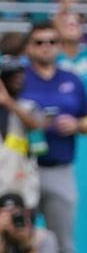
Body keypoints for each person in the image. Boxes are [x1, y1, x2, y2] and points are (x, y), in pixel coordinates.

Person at [20, 21, 87, 253]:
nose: (46, 47)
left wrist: (75, 125)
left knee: (63, 241)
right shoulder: (19, 79)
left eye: (52, 42)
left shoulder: (71, 80)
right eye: (39, 42)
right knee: (20, 238)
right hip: (23, 168)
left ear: (60, 46)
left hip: (60, 167)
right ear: (28, 48)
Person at [0, 55, 42, 207]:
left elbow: (35, 124)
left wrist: (7, 102)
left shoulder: (27, 106)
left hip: (21, 180)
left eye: (20, 75)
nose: (18, 79)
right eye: (12, 75)